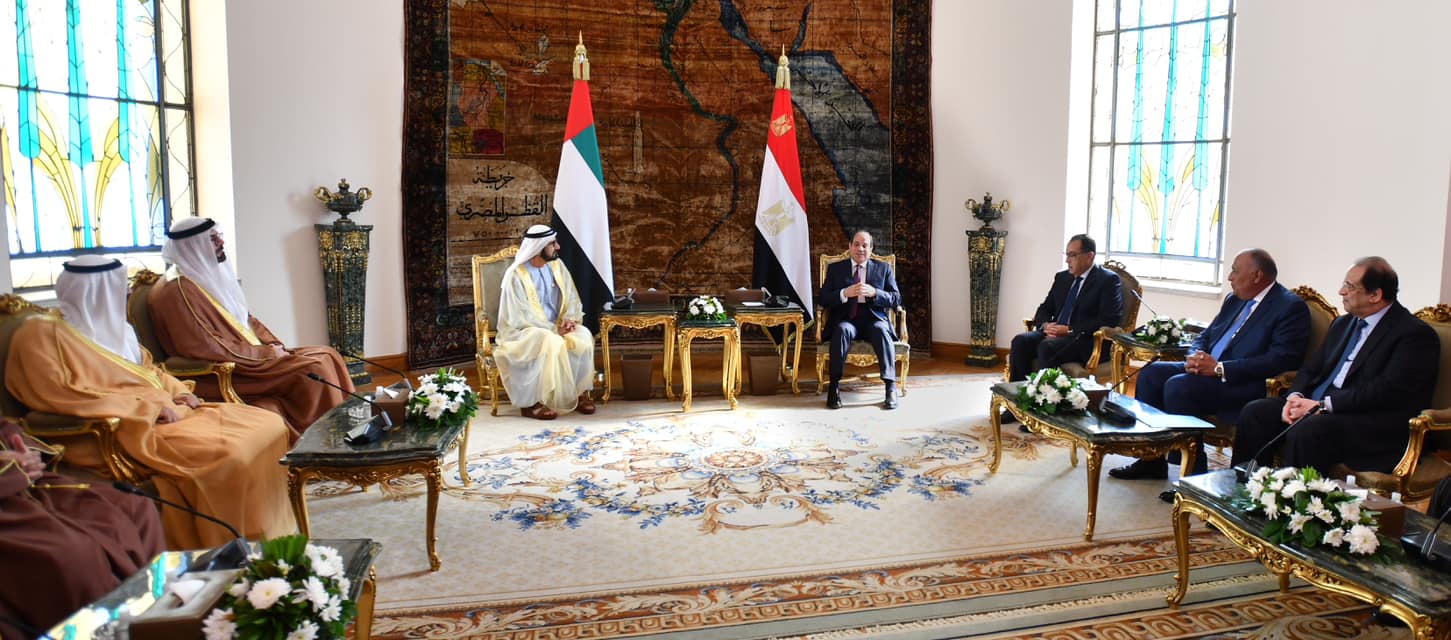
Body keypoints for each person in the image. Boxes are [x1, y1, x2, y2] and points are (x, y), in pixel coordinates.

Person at [6, 256, 296, 549]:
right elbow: (58, 394)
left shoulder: (118, 329)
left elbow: (150, 370)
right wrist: (147, 409)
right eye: (121, 285)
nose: (129, 292)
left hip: (168, 414)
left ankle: (272, 535)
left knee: (268, 423)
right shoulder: (41, 334)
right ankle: (232, 545)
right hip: (121, 430)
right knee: (231, 453)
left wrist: (178, 391)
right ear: (95, 290)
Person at [1109, 249, 1310, 484]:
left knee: (1179, 387)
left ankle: (1193, 474)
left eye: (1235, 271)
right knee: (1151, 374)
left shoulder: (1289, 307)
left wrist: (1220, 368)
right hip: (1207, 370)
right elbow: (1205, 336)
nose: (1230, 277)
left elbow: (1281, 358)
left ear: (1257, 276)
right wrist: (1195, 356)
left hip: (1241, 381)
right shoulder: (1234, 299)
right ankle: (1151, 461)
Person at [148, 217, 353, 438]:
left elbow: (246, 319)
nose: (221, 243)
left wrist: (273, 345)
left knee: (328, 354)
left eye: (219, 237)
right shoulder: (178, 290)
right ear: (193, 245)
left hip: (249, 358)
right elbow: (204, 345)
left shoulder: (200, 277)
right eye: (213, 239)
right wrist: (266, 354)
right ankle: (322, 441)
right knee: (312, 369)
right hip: (231, 370)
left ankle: (347, 430)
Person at [1233, 257, 1439, 475]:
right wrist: (1294, 397)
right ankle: (1246, 487)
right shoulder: (1343, 323)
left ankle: (1295, 495)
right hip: (1321, 406)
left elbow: (1386, 391)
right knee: (1256, 412)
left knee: (1309, 430)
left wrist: (1322, 406)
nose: (1341, 291)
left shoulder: (1413, 334)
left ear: (1375, 295)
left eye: (1349, 286)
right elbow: (1311, 369)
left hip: (1367, 420)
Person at [0, 419, 165, 639]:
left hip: (29, 486)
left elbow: (6, 428)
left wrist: (24, 454)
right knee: (74, 552)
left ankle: (160, 614)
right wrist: (8, 467)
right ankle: (104, 632)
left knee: (135, 506)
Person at [1004, 234, 1123, 425]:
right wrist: (1046, 325)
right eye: (1067, 255)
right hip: (1054, 333)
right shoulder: (1062, 278)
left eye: (1072, 255)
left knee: (1047, 347)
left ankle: (1044, 413)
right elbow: (1044, 309)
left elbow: (1109, 319)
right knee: (1021, 341)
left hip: (1083, 340)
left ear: (1089, 256)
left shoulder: (1107, 280)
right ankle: (1016, 406)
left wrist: (1069, 330)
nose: (1068, 260)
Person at [495, 225, 597, 420]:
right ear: (538, 247)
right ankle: (531, 403)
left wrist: (569, 320)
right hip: (523, 331)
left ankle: (578, 393)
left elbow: (571, 297)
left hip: (556, 326)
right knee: (549, 340)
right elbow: (520, 315)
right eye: (552, 244)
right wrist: (553, 329)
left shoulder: (557, 266)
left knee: (583, 335)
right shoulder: (516, 275)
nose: (558, 247)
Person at [818, 230, 903, 410]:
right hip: (847, 318)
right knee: (841, 330)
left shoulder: (883, 268)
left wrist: (875, 293)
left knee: (881, 330)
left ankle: (890, 387)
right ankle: (834, 387)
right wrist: (844, 293)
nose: (860, 249)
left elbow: (896, 299)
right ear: (850, 247)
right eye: (856, 244)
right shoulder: (836, 269)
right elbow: (823, 298)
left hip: (874, 318)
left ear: (871, 249)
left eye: (865, 245)